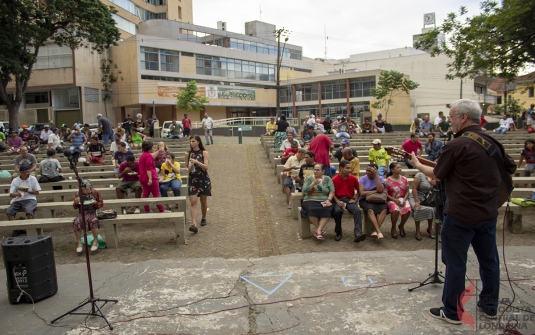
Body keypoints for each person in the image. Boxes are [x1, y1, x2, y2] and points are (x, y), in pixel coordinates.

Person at [408, 99, 516, 324]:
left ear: (464, 117)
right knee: (489, 261)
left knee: (456, 264)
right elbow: (510, 167)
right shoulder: (493, 141)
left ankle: (452, 312)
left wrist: (418, 165)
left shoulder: (456, 145)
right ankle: (489, 306)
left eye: (452, 118)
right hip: (487, 212)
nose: (449, 123)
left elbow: (438, 174)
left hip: (460, 215)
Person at [332, 160, 366, 243]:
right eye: (347, 168)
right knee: (337, 211)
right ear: (341, 168)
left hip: (349, 199)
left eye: (350, 168)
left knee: (357, 211)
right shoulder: (334, 179)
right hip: (338, 199)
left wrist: (355, 199)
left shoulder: (353, 178)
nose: (349, 170)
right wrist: (337, 201)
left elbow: (359, 190)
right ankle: (338, 232)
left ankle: (358, 233)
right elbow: (332, 193)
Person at [185, 135, 211, 233]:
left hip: (203, 179)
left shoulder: (204, 153)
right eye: (190, 141)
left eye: (193, 141)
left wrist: (197, 162)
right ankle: (194, 224)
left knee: (203, 201)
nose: (191, 143)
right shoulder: (188, 154)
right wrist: (189, 169)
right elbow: (186, 167)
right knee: (193, 202)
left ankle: (204, 217)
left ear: (198, 142)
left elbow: (206, 167)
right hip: (193, 180)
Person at [302, 163, 335, 240]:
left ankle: (318, 230)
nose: (316, 171)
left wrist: (328, 200)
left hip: (324, 199)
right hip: (310, 199)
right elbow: (304, 190)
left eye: (318, 170)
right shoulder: (309, 178)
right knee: (311, 209)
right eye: (314, 170)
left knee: (328, 208)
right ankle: (319, 230)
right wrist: (313, 183)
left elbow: (332, 191)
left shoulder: (327, 179)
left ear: (323, 171)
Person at [7, 164, 41, 237]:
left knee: (29, 211)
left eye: (28, 171)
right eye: (26, 172)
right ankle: (16, 229)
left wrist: (28, 191)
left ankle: (30, 229)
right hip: (18, 199)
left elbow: (37, 192)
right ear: (20, 172)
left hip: (30, 198)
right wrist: (17, 194)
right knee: (9, 212)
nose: (28, 173)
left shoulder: (33, 178)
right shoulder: (15, 180)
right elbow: (11, 194)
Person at [72, 180, 104, 253]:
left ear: (90, 188)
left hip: (92, 212)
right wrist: (76, 202)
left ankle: (95, 241)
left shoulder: (96, 192)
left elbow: (101, 203)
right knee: (76, 222)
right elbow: (75, 206)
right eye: (83, 189)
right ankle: (79, 243)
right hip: (82, 213)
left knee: (93, 220)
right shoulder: (78, 194)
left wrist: (96, 203)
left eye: (87, 189)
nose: (85, 191)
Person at [358, 164, 387, 239]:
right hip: (365, 200)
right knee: (370, 210)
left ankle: (375, 231)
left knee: (384, 210)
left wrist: (376, 176)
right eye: (367, 170)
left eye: (370, 171)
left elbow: (380, 190)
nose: (368, 172)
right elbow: (362, 193)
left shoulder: (380, 178)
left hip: (378, 199)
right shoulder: (362, 179)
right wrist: (375, 191)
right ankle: (378, 231)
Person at [139, 140, 168, 214]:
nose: (154, 148)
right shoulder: (148, 156)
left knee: (145, 194)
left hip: (143, 178)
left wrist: (158, 151)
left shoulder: (143, 155)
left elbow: (153, 155)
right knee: (156, 194)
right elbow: (148, 168)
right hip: (150, 177)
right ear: (149, 148)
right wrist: (150, 179)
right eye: (152, 147)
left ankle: (147, 210)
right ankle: (161, 210)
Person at [385, 162, 411, 239]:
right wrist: (395, 200)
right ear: (392, 170)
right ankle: (393, 227)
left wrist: (405, 200)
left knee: (408, 209)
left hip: (402, 199)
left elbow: (407, 191)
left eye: (400, 167)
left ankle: (401, 226)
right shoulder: (387, 181)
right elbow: (386, 194)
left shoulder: (404, 179)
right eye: (398, 168)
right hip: (392, 200)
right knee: (395, 209)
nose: (400, 169)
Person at [408, 171, 436, 241]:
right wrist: (417, 201)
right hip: (416, 196)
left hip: (428, 197)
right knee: (418, 208)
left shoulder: (434, 175)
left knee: (431, 209)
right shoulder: (420, 175)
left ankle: (430, 228)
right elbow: (414, 188)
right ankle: (417, 230)